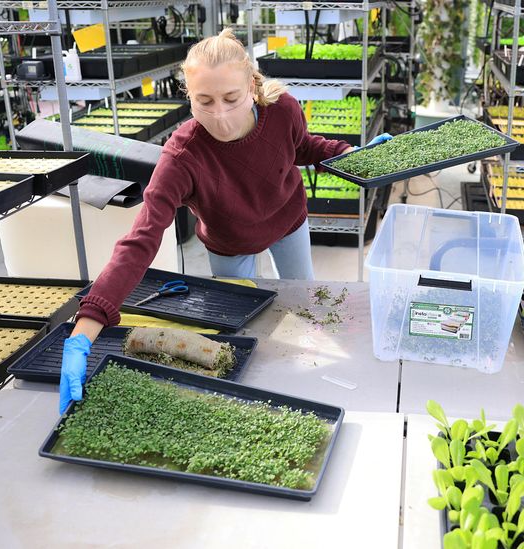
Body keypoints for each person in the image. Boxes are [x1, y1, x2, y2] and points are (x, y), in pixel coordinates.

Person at [58, 28, 391, 413]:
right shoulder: (183, 156)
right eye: (204, 101)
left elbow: (302, 147)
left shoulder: (282, 109)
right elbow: (141, 239)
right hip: (230, 241)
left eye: (231, 98)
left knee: (307, 306)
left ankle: (312, 379)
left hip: (287, 220)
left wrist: (350, 154)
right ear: (188, 97)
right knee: (241, 328)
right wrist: (86, 327)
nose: (220, 115)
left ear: (251, 85)